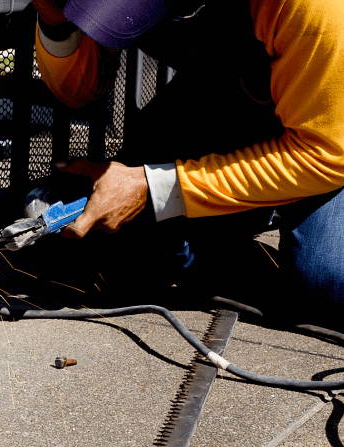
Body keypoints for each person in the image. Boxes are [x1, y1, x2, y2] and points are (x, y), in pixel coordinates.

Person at [30, 0, 344, 325]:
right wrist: (55, 18)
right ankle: (219, 238)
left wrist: (157, 186)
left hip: (331, 128)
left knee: (326, 281)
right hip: (233, 85)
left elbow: (326, 155)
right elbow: (80, 92)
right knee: (122, 249)